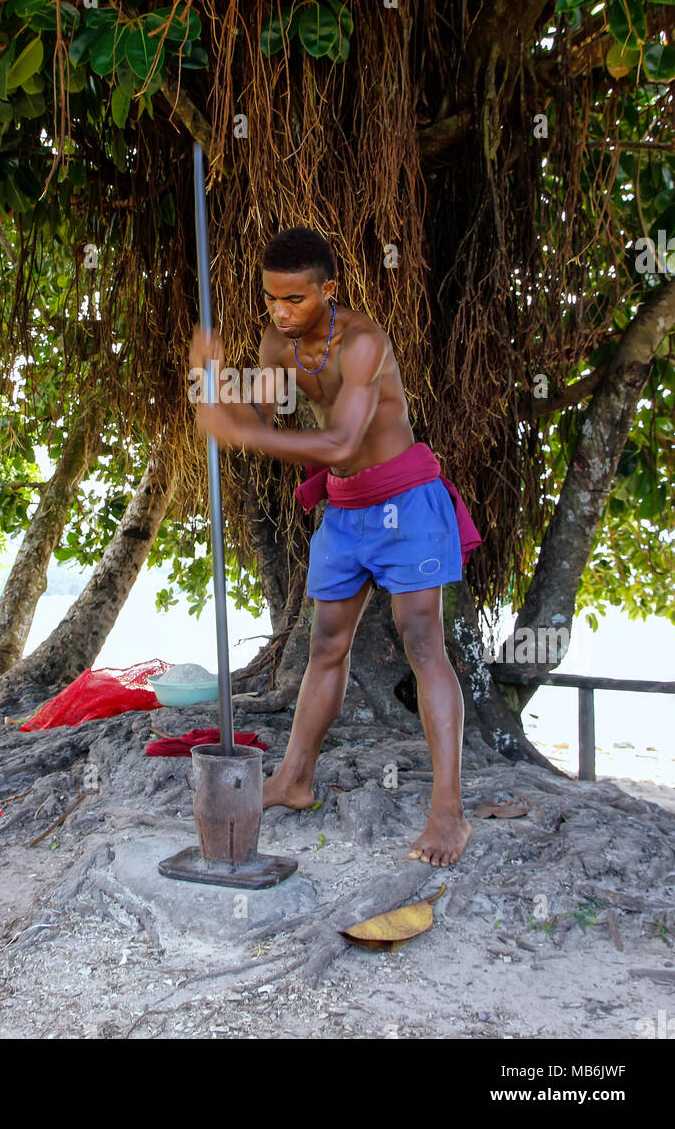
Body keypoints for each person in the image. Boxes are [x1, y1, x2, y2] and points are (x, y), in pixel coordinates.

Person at [189, 227, 481, 867]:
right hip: (344, 512)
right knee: (325, 645)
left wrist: (237, 431)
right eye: (270, 300)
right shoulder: (275, 343)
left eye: (295, 299)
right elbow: (263, 420)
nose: (281, 313)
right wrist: (219, 390)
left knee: (423, 644)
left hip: (407, 503)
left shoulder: (365, 343)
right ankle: (294, 779)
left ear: (329, 290)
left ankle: (448, 810)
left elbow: (341, 445)